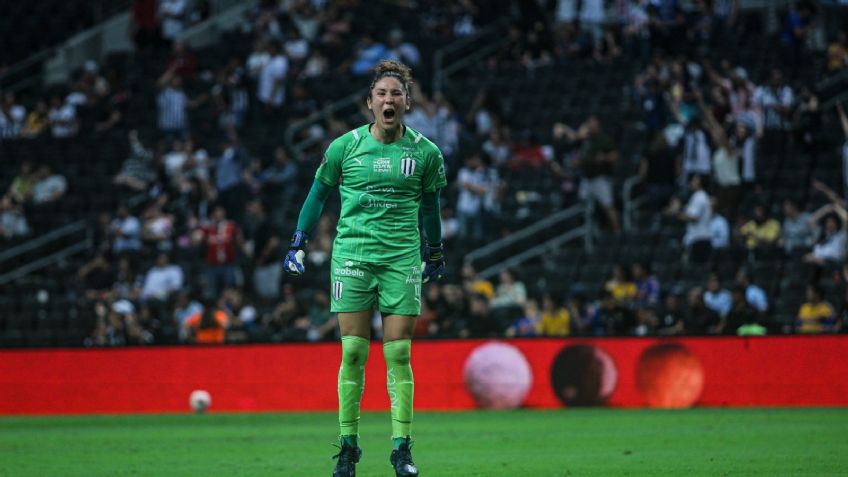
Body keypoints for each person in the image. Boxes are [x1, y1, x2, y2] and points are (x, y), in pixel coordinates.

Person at [283, 60, 445, 477]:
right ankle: (349, 448)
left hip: (401, 258)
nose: (388, 99)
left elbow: (431, 206)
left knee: (400, 353)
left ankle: (402, 450)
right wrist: (298, 241)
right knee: (354, 351)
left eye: (395, 93)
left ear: (407, 102)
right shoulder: (345, 147)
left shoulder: (426, 153)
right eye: (381, 93)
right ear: (369, 103)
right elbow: (317, 195)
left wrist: (437, 249)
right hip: (353, 255)